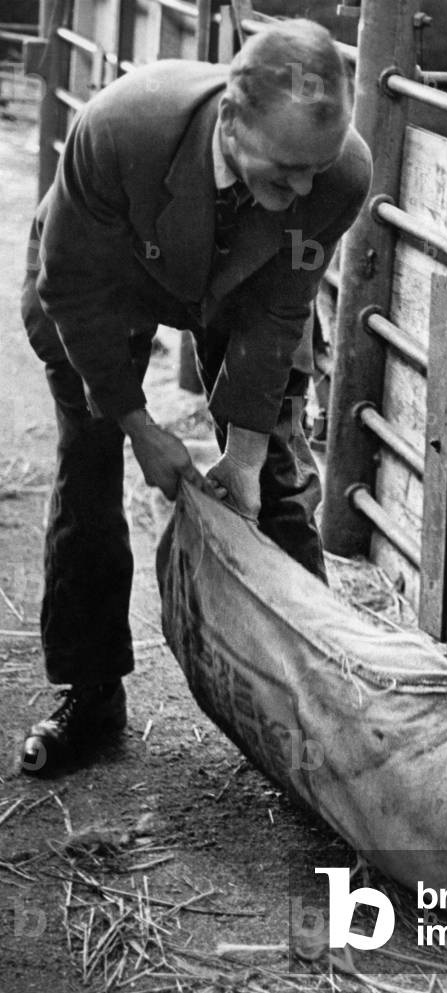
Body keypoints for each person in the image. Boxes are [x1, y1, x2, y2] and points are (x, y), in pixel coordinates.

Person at [19, 19, 372, 776]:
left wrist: (241, 454)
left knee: (275, 478)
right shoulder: (120, 130)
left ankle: (314, 710)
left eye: (316, 170)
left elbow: (280, 311)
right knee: (90, 460)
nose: (304, 190)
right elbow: (72, 292)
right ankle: (92, 692)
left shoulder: (333, 172)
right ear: (231, 121)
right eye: (286, 172)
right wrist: (140, 425)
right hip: (103, 278)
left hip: (240, 287)